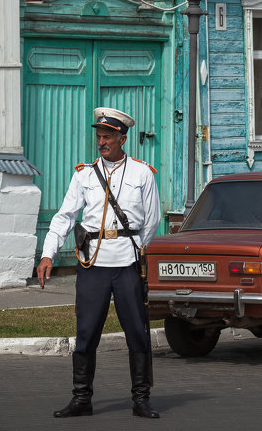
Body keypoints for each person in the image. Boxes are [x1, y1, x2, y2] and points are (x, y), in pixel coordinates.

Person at [37, 107, 162, 420]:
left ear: (123, 137)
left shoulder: (142, 174)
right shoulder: (83, 175)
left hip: (127, 264)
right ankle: (81, 398)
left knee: (136, 331)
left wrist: (134, 249)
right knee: (86, 331)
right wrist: (48, 253)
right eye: (99, 136)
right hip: (92, 265)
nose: (101, 142)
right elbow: (65, 216)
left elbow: (151, 220)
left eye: (107, 136)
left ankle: (141, 399)